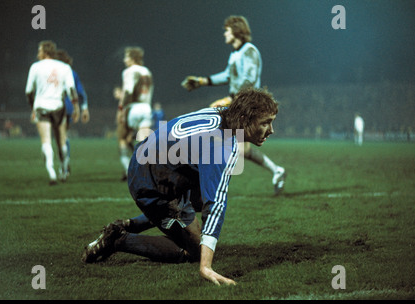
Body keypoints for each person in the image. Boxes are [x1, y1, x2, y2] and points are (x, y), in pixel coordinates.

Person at [82, 87, 279, 286]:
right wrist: (206, 267)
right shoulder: (222, 145)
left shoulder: (223, 113)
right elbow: (216, 205)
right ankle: (118, 240)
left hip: (150, 159)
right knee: (193, 249)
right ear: (245, 118)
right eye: (266, 123)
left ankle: (129, 224)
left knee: (198, 200)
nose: (271, 130)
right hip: (151, 183)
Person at [181, 15, 286, 195]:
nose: (224, 34)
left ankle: (202, 179)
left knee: (217, 131)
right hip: (240, 104)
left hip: (248, 106)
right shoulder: (235, 54)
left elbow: (249, 80)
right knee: (241, 148)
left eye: (227, 30)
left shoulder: (249, 51)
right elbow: (227, 75)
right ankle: (277, 171)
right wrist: (202, 81)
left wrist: (232, 100)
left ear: (236, 31)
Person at [25, 40, 80, 185]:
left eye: (39, 50)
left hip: (42, 107)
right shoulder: (65, 67)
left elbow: (29, 91)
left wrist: (32, 108)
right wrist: (76, 108)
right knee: (61, 140)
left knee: (46, 141)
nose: (38, 53)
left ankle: (51, 172)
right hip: (58, 107)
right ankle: (63, 169)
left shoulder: (35, 67)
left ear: (44, 52)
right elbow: (71, 90)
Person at [115, 47, 154, 181]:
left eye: (126, 57)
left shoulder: (129, 71)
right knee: (143, 142)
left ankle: (127, 170)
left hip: (133, 108)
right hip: (146, 108)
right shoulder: (147, 71)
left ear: (132, 58)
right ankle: (146, 172)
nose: (124, 60)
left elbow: (128, 91)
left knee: (121, 138)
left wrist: (121, 109)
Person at [55, 49, 90, 175]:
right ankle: (65, 162)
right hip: (68, 107)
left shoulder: (51, 71)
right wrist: (84, 107)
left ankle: (63, 166)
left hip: (56, 107)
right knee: (63, 136)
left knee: (60, 137)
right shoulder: (71, 72)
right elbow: (80, 91)